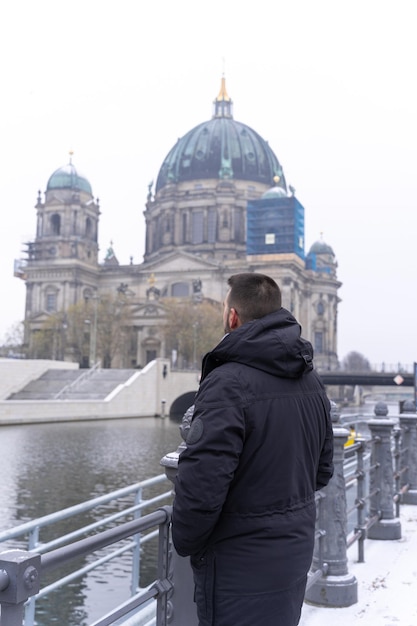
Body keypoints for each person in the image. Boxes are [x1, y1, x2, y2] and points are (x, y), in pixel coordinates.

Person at [172, 272, 334, 626]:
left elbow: (202, 484)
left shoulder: (226, 382)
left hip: (237, 563)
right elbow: (323, 470)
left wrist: (187, 542)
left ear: (232, 316)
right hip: (294, 550)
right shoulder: (310, 379)